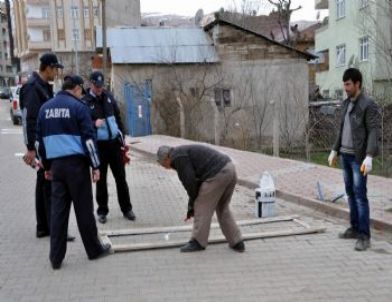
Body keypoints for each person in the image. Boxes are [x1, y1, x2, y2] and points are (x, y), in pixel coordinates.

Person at [36, 75, 111, 269]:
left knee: (58, 213)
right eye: (81, 90)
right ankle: (94, 250)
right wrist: (95, 166)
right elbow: (88, 140)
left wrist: (46, 166)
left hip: (57, 168)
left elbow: (39, 143)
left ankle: (55, 258)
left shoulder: (45, 108)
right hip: (76, 167)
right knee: (84, 210)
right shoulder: (79, 108)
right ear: (77, 89)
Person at [20, 53, 74, 241]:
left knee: (44, 184)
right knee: (50, 186)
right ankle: (53, 229)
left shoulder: (43, 87)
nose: (57, 72)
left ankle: (44, 227)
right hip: (40, 144)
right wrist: (30, 148)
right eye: (55, 69)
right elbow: (28, 119)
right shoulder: (33, 88)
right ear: (48, 68)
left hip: (46, 142)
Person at [328, 68, 380, 251]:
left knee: (360, 196)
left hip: (359, 159)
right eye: (344, 84)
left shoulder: (368, 104)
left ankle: (364, 236)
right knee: (350, 193)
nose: (345, 88)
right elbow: (342, 130)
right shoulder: (346, 104)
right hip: (345, 156)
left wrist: (369, 156)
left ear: (357, 83)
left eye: (348, 84)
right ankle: (354, 228)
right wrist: (334, 150)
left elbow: (374, 131)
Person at [157, 144, 245, 253]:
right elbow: (195, 183)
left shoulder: (178, 157)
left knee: (201, 206)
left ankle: (198, 242)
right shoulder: (181, 152)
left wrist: (193, 205)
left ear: (166, 158)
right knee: (222, 208)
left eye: (162, 164)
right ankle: (237, 242)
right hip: (229, 168)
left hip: (217, 173)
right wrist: (191, 205)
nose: (165, 167)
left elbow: (190, 182)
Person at [82, 71, 135, 224]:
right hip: (99, 146)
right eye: (97, 86)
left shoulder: (109, 97)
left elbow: (118, 117)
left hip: (114, 144)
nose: (99, 89)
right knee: (101, 180)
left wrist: (122, 135)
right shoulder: (85, 102)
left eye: (101, 86)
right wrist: (93, 124)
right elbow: (83, 125)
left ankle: (127, 209)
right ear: (91, 84)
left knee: (121, 179)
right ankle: (102, 211)